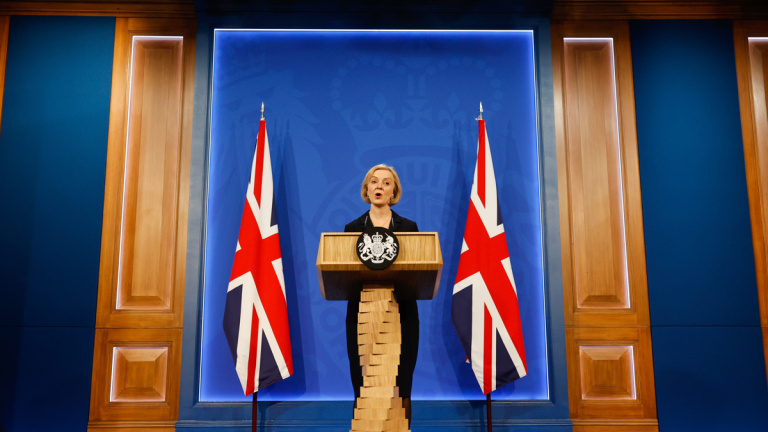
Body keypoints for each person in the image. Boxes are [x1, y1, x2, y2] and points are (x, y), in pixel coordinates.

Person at [344, 163, 419, 424]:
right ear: (366, 189)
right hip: (361, 314)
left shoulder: (408, 228)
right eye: (374, 182)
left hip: (402, 312)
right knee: (363, 381)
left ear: (393, 192)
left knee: (401, 382)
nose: (379, 186)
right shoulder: (352, 229)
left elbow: (418, 270)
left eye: (387, 183)